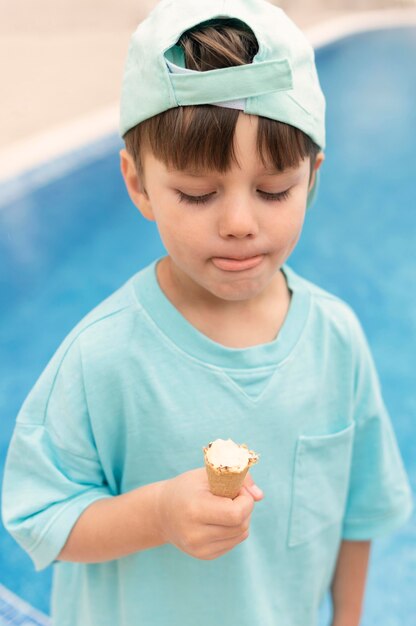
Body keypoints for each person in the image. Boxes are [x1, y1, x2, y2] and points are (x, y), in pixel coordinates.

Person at [2, 1, 413, 625]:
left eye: (275, 190)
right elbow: (39, 520)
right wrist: (159, 513)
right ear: (138, 185)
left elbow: (359, 509)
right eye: (198, 194)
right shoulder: (104, 357)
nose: (240, 225)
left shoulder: (335, 340)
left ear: (313, 179)